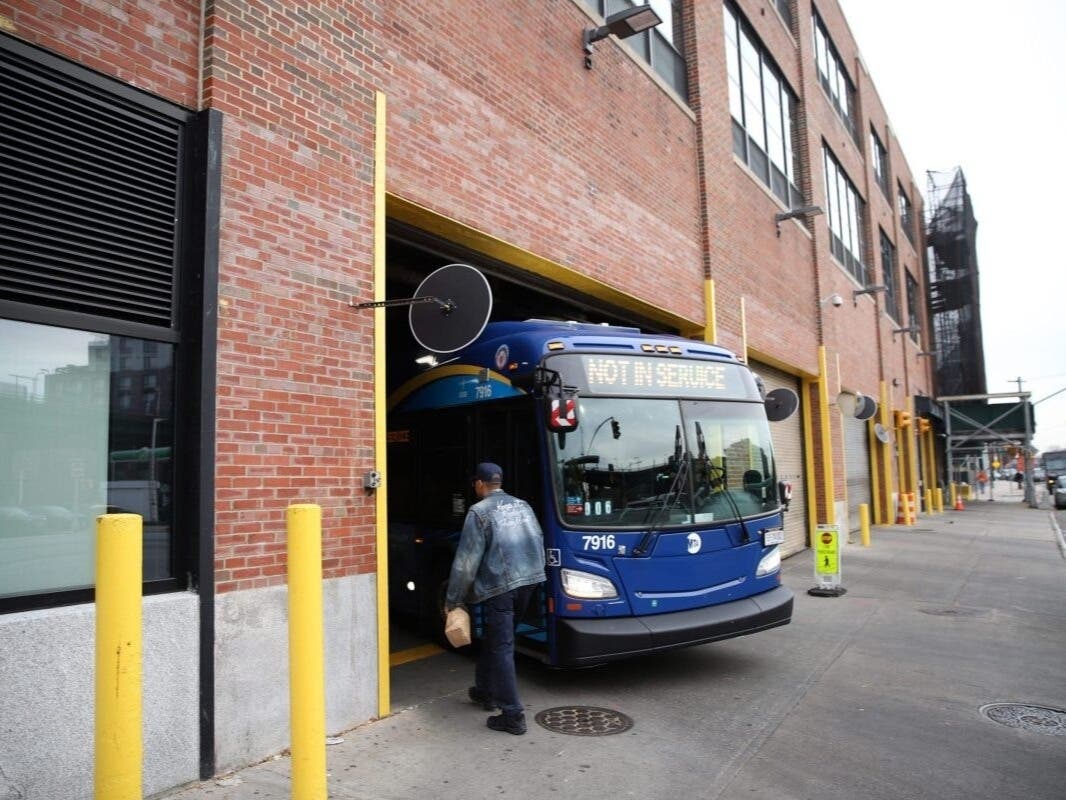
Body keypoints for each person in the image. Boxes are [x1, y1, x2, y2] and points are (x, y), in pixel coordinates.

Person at [445, 462, 546, 735]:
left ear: (479, 483)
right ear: (499, 482)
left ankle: (512, 714)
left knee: (501, 646)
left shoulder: (479, 512)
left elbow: (466, 562)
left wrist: (453, 599)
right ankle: (485, 691)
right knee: (496, 640)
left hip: (502, 587)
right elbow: (538, 538)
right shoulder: (522, 505)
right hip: (530, 581)